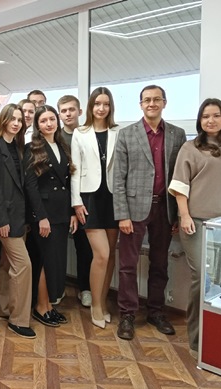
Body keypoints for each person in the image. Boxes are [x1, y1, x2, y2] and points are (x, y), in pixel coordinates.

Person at [169, 98, 221, 355]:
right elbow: (180, 187)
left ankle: (218, 336)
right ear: (199, 120)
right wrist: (185, 216)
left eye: (215, 115)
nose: (210, 120)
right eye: (205, 116)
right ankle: (196, 340)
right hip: (196, 223)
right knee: (202, 278)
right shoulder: (190, 148)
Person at [113, 85, 186, 341]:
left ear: (164, 102)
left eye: (156, 99)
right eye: (147, 100)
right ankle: (127, 314)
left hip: (165, 208)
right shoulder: (127, 134)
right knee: (127, 266)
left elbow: (180, 176)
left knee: (160, 263)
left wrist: (177, 214)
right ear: (140, 104)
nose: (151, 103)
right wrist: (122, 214)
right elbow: (118, 177)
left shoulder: (177, 134)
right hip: (133, 210)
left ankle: (156, 311)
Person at [0, 103, 35, 338]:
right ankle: (19, 320)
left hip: (19, 217)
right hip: (5, 219)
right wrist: (1, 220)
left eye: (19, 119)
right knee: (23, 266)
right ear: (3, 120)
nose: (16, 123)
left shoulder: (18, 146)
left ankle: (4, 309)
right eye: (12, 119)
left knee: (6, 264)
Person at [72, 87, 120, 329]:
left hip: (113, 198)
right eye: (97, 104)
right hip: (89, 198)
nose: (101, 108)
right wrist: (76, 202)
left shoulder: (118, 132)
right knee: (100, 255)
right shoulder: (80, 133)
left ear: (111, 107)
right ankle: (96, 306)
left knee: (110, 256)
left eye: (106, 104)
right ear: (91, 107)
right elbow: (74, 169)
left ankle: (103, 300)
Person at [24, 105, 77, 327]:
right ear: (37, 125)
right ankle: (40, 306)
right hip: (45, 215)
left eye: (52, 119)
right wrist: (41, 217)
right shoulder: (31, 148)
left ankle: (49, 305)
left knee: (55, 262)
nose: (49, 123)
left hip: (62, 211)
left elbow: (69, 181)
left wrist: (72, 212)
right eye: (44, 120)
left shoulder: (63, 145)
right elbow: (31, 186)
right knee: (46, 261)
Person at [57, 95, 91, 306]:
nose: (68, 114)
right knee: (58, 249)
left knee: (84, 247)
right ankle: (57, 288)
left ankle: (85, 288)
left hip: (84, 199)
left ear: (80, 111)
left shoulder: (87, 134)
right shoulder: (56, 138)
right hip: (62, 203)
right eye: (64, 110)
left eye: (71, 109)